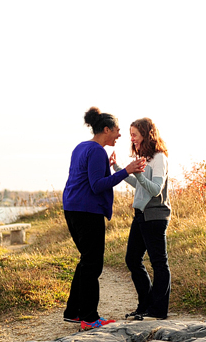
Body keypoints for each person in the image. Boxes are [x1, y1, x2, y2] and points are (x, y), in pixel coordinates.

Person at [62, 107, 146, 330]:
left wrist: (115, 169)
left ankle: (74, 312)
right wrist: (125, 170)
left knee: (86, 261)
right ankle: (89, 319)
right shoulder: (97, 151)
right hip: (87, 212)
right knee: (92, 264)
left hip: (72, 209)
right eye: (117, 130)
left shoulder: (81, 147)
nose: (119, 135)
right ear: (106, 129)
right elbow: (97, 185)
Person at [111, 117, 171, 320]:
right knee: (132, 259)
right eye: (131, 135)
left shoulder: (159, 158)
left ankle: (158, 310)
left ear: (146, 134)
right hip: (141, 215)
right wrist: (119, 169)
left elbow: (155, 190)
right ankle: (145, 306)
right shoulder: (144, 158)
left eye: (135, 135)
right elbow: (140, 186)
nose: (132, 139)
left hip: (155, 215)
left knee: (159, 263)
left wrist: (138, 174)